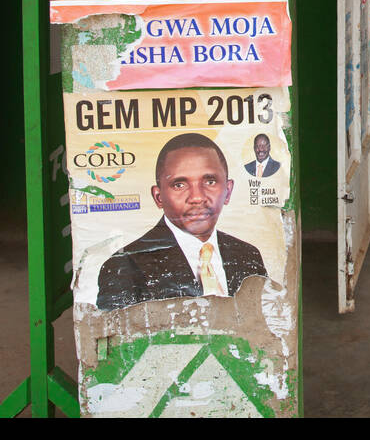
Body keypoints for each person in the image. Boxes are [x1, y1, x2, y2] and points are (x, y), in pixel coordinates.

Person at [96, 133, 266, 310]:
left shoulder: (247, 255)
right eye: (179, 185)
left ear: (228, 191)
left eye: (210, 181)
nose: (197, 197)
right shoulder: (124, 266)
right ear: (158, 196)